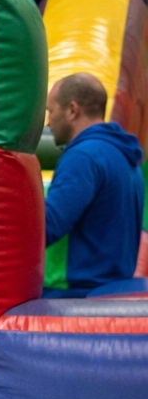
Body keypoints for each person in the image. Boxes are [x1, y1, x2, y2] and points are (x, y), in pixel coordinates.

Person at [43, 71, 145, 295]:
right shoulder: (124, 156)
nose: (49, 122)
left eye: (51, 111)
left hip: (73, 294)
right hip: (110, 290)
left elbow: (47, 227)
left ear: (72, 110)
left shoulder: (83, 157)